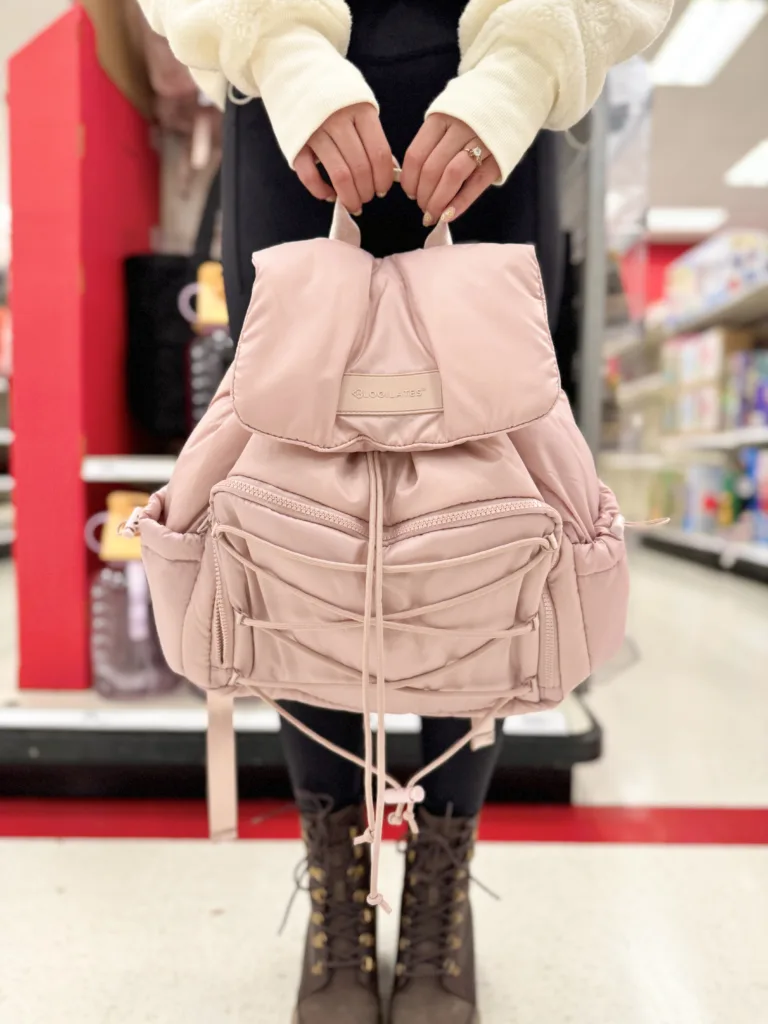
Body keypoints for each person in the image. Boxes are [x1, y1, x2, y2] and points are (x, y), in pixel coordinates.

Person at [137, 3, 672, 1021]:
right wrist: (281, 51)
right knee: (293, 498)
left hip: (505, 72)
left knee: (495, 499)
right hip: (286, 85)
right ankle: (336, 869)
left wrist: (525, 69)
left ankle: (441, 878)